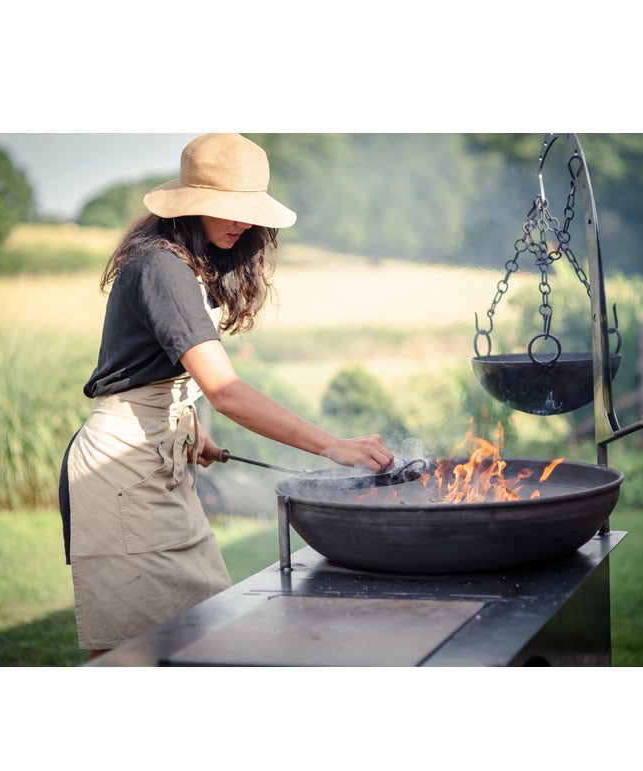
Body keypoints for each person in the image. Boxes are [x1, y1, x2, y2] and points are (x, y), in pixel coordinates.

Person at [59, 133, 394, 660]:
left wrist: (190, 428)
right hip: (121, 474)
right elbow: (227, 390)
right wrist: (333, 445)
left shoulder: (187, 264)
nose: (243, 223)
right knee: (141, 654)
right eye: (229, 208)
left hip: (161, 463)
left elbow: (153, 373)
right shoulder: (161, 267)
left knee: (206, 632)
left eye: (250, 211)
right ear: (193, 204)